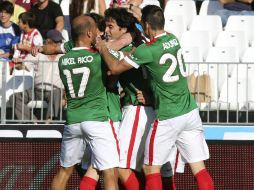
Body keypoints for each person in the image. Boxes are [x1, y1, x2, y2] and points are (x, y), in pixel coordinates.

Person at [96, 5, 214, 190]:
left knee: (151, 169)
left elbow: (115, 69)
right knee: (199, 169)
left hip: (168, 116)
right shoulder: (173, 39)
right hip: (190, 113)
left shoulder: (147, 50)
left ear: (147, 25)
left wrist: (103, 48)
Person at [51, 15, 119, 190]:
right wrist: (104, 48)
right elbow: (113, 72)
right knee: (109, 172)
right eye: (96, 29)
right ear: (89, 33)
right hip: (96, 119)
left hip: (73, 120)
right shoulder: (97, 57)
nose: (98, 33)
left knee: (64, 171)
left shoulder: (63, 61)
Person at [9, 29, 64, 123]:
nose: (58, 44)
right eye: (56, 42)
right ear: (48, 41)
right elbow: (24, 66)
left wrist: (65, 96)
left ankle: (49, 121)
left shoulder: (65, 56)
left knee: (57, 93)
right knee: (14, 97)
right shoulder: (37, 53)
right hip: (36, 90)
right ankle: (32, 121)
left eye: (59, 42)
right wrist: (17, 64)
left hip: (55, 91)